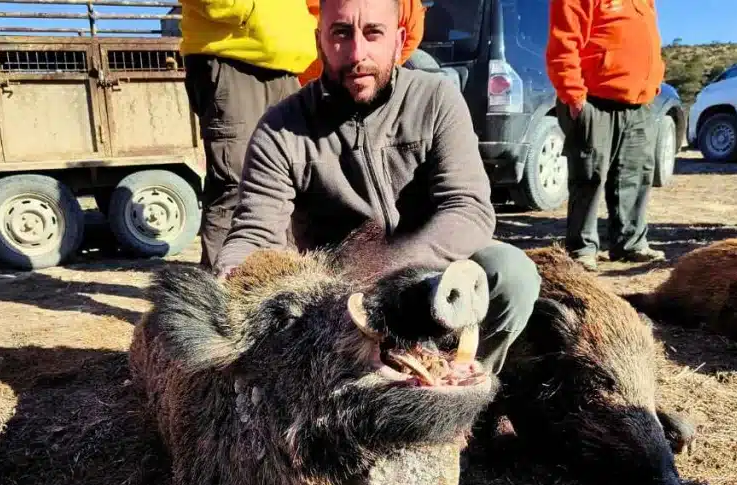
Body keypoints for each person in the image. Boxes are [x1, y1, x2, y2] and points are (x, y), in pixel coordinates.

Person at [213, 0, 542, 373]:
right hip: (340, 295)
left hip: (435, 273)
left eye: (373, 33)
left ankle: (461, 388)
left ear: (399, 40)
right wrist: (234, 269)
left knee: (510, 273)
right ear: (319, 39)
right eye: (340, 34)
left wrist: (394, 269)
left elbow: (468, 208)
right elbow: (256, 231)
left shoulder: (436, 100)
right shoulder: (280, 128)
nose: (357, 53)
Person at [179, 0, 319, 269]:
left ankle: (282, 296)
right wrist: (252, 11)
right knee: (235, 188)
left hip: (285, 62)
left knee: (291, 187)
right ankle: (216, 306)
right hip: (231, 54)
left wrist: (305, 25)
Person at [545, 0, 667, 271]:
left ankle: (630, 243)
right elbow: (563, 41)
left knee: (635, 175)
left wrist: (653, 82)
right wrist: (573, 95)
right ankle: (582, 248)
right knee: (589, 175)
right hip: (593, 99)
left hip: (638, 102)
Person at [297, 0, 426, 85]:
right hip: (309, 88)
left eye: (373, 31)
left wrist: (380, 67)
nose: (357, 55)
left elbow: (411, 31)